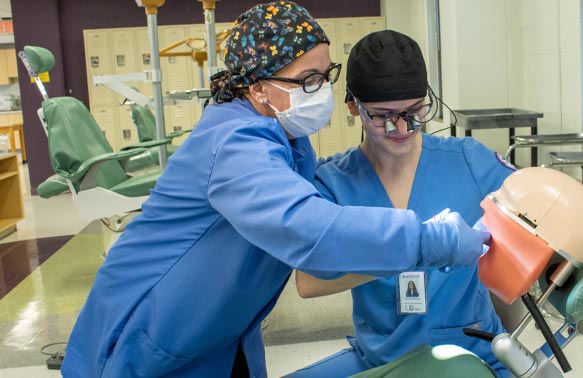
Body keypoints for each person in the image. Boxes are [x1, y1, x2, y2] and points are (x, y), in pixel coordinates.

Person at [61, 4, 489, 377]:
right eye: (307, 80)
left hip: (219, 331)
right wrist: (435, 239)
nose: (320, 91)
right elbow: (308, 230)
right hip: (148, 334)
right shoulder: (234, 143)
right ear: (258, 87)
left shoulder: (288, 141)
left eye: (325, 76)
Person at [288, 30, 516, 377]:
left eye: (415, 110)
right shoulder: (333, 182)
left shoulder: (469, 161)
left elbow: (538, 212)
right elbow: (309, 282)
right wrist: (413, 250)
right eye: (383, 115)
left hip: (471, 354)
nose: (402, 126)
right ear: (354, 107)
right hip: (384, 359)